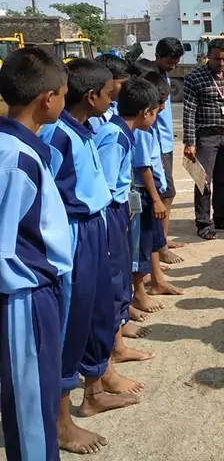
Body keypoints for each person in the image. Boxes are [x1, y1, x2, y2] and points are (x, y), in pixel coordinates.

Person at [38, 58, 138, 455]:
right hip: (75, 234)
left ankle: (94, 391)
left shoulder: (85, 128)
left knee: (94, 311)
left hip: (96, 226)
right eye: (110, 95)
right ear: (91, 96)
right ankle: (61, 423)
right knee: (70, 321)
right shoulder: (57, 135)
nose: (114, 102)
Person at [0, 48, 72, 461]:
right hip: (23, 295)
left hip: (34, 291)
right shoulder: (16, 159)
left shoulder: (19, 148)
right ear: (48, 98)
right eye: (63, 94)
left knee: (39, 397)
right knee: (31, 409)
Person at [93, 76, 161, 397]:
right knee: (112, 281)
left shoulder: (125, 134)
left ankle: (118, 346)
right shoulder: (115, 137)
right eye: (156, 111)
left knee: (120, 280)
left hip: (120, 211)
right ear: (146, 112)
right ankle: (108, 358)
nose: (156, 117)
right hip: (109, 214)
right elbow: (106, 187)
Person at [183, 38, 224, 240]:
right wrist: (190, 142)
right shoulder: (194, 77)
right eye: (218, 59)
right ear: (208, 56)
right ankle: (203, 224)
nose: (222, 63)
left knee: (222, 180)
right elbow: (189, 111)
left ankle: (220, 218)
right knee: (203, 181)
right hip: (206, 137)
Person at [133, 70, 185, 300]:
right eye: (160, 104)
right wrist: (156, 199)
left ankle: (157, 280)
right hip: (145, 193)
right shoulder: (141, 131)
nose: (163, 108)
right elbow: (143, 167)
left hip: (153, 189)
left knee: (152, 240)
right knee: (141, 244)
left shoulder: (150, 127)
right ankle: (140, 290)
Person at [153, 37, 184, 260]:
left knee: (167, 194)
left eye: (176, 62)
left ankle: (163, 238)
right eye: (169, 62)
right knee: (164, 194)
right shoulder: (151, 78)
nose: (173, 66)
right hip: (155, 146)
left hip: (166, 143)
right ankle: (160, 247)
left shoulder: (164, 76)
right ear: (158, 56)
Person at [88, 53, 129, 132]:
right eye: (122, 84)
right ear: (108, 81)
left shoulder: (115, 105)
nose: (126, 88)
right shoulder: (94, 115)